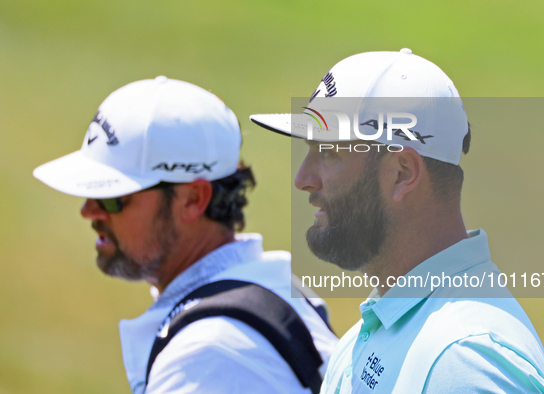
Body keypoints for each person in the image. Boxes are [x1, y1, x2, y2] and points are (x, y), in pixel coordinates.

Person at [250, 49, 544, 393]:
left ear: (402, 174)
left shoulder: (463, 362)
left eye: (328, 153)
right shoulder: (374, 333)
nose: (303, 178)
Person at [33, 76, 337, 394]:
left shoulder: (206, 357)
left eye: (113, 198)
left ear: (192, 200)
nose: (89, 211)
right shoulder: (272, 289)